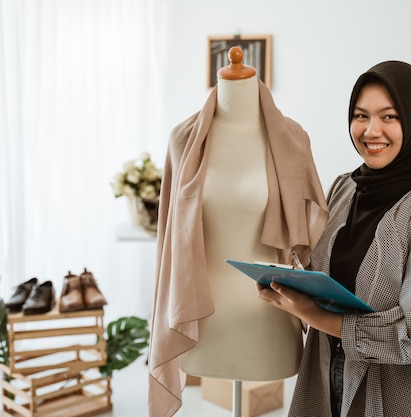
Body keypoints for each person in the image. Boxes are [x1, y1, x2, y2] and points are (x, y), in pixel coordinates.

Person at [257, 60, 411, 417]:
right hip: (327, 374)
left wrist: (315, 316)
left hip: (395, 396)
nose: (372, 130)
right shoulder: (346, 187)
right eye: (361, 116)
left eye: (390, 117)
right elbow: (329, 274)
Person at [148, 47, 328, 417]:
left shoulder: (293, 139)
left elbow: (314, 239)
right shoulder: (182, 140)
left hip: (268, 316)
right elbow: (168, 239)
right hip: (203, 320)